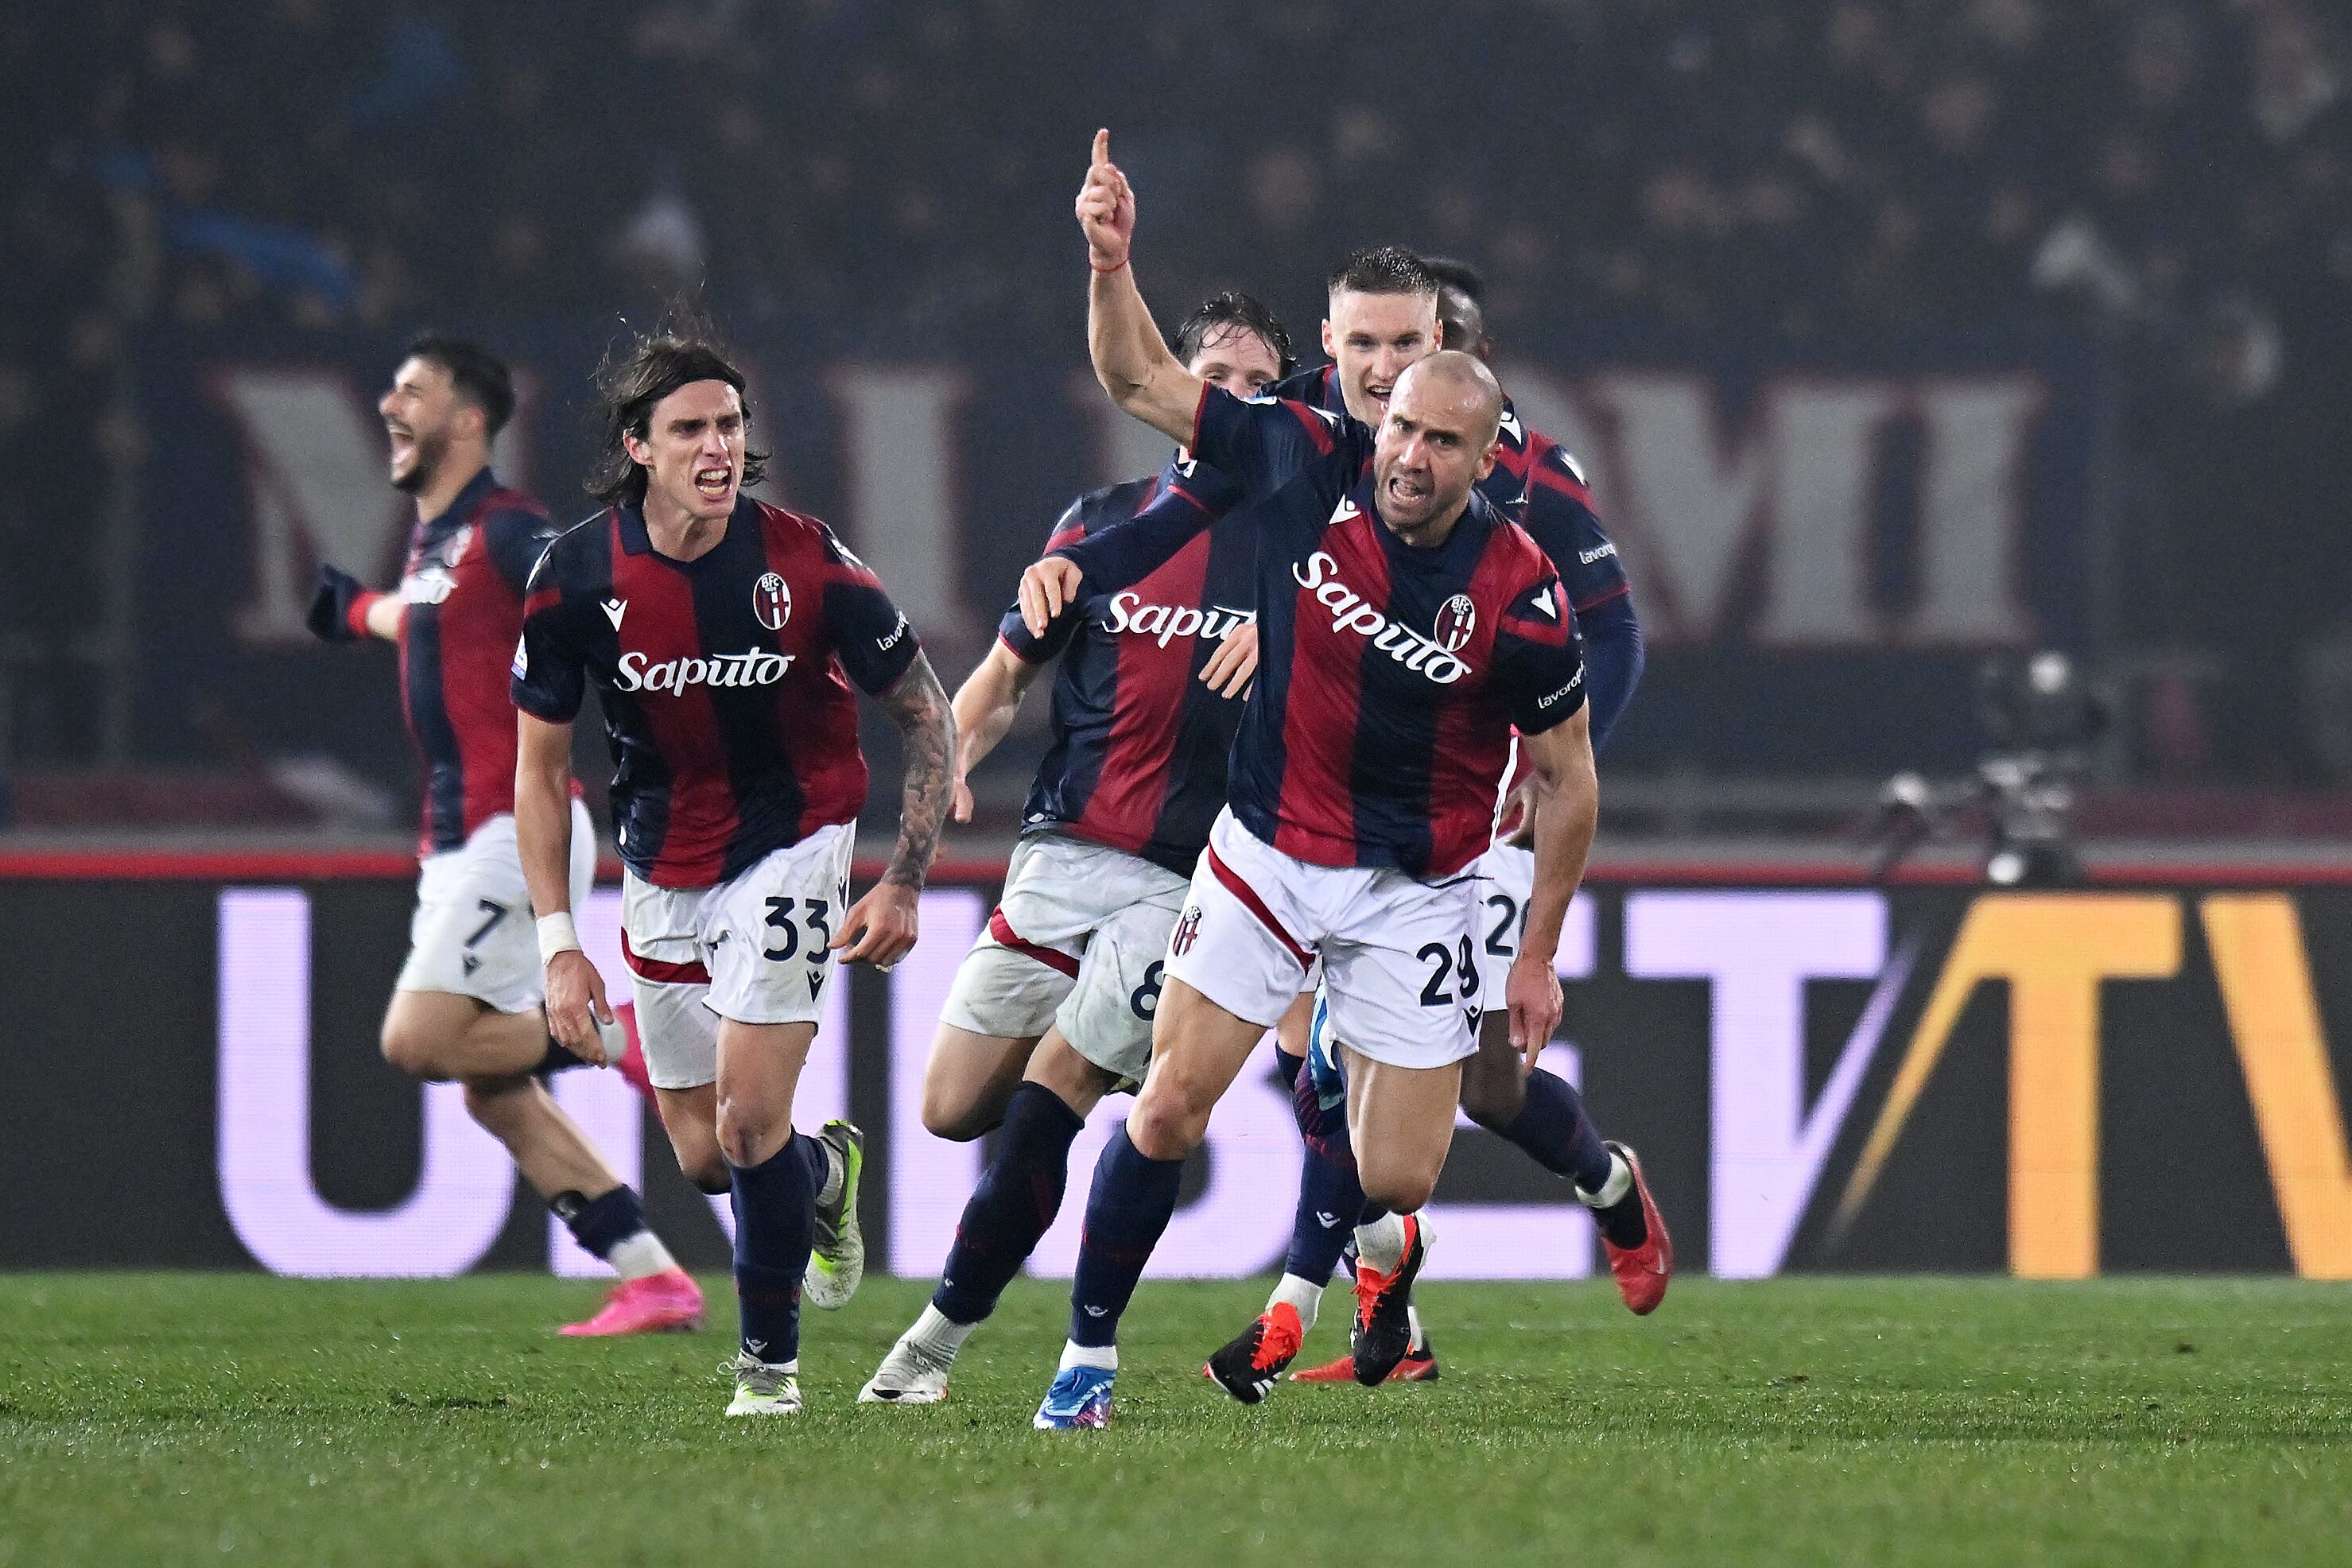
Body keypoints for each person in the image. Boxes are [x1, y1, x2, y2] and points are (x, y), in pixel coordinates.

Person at [1019, 133, 1602, 1430]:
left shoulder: (1520, 587)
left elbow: (1567, 780)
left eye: (1410, 365)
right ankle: (1086, 1360)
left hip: (1418, 888)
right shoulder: (1286, 451)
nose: (1392, 409)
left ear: (1471, 418)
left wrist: (1535, 951)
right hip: (1271, 849)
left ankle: (1374, 1260)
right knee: (1166, 1101)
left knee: (1394, 1181)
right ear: (1334, 362)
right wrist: (1110, 258)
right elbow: (1135, 376)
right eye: (1366, 366)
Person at [1228, 255, 1665, 1393]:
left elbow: (1611, 639)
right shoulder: (1348, 453)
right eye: (1378, 357)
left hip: (1480, 814)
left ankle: (1606, 1184)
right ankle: (1390, 1325)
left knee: (1484, 1086)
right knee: (1313, 1054)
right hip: (1335, 814)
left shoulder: (1527, 475)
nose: (1392, 381)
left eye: (1420, 354)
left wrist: (1546, 764)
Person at [509, 328, 955, 1416]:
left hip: (795, 839)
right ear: (639, 448)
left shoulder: (809, 562)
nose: (718, 447)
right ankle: (822, 1177)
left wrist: (899, 879)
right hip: (662, 863)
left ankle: (769, 1374)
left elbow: (926, 719)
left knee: (748, 1122)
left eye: (730, 426)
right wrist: (559, 948)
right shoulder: (571, 577)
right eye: (691, 430)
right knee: (710, 1155)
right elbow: (538, 770)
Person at [857, 293, 1290, 1406]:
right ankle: (1082, 1100)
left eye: (1256, 383)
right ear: (1179, 394)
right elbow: (1001, 682)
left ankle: (934, 1347)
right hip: (1057, 855)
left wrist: (1294, 638)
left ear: (1283, 401)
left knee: (1052, 1094)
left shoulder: (1307, 551)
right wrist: (948, 764)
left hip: (1191, 880)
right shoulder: (1100, 520)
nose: (1233, 400)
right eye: (1215, 379)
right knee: (952, 1108)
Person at [306, 336, 701, 1336]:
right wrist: (352, 611)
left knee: (420, 1038)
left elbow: (598, 592)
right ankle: (653, 1275)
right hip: (456, 840)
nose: (390, 404)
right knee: (490, 1085)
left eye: (412, 391)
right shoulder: (441, 548)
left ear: (470, 421)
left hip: (507, 824)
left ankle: (624, 1040)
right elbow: (427, 617)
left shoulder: (513, 530)